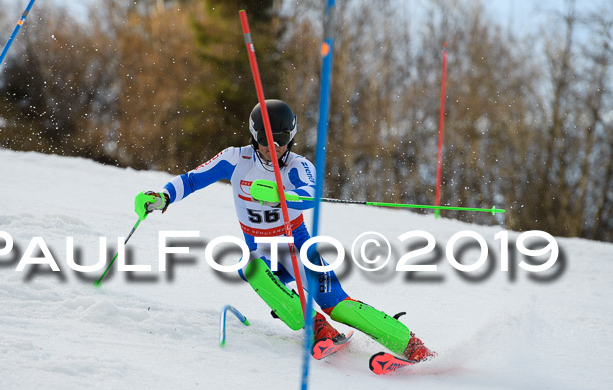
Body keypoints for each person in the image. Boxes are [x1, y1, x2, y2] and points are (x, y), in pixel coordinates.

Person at [135, 99, 434, 362]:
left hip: (297, 247)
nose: (272, 146)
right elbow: (191, 180)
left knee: (339, 306)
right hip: (262, 253)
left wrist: (281, 193)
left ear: (290, 139)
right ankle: (317, 327)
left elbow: (310, 193)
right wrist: (163, 197)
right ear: (254, 137)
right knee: (249, 267)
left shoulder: (297, 166)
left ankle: (410, 344)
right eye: (265, 138)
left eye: (280, 139)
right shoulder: (235, 159)